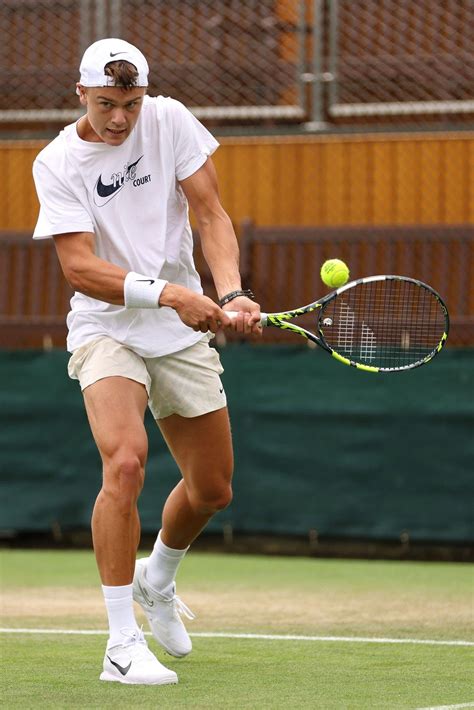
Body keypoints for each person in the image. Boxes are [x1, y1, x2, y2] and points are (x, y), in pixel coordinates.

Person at [32, 37, 261, 686]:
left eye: (130, 104)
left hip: (180, 329)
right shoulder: (56, 162)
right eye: (106, 104)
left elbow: (210, 212)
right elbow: (79, 268)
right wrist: (170, 293)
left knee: (213, 488)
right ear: (81, 93)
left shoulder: (170, 119)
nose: (120, 119)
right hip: (109, 328)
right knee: (125, 460)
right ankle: (121, 645)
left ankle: (157, 577)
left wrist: (231, 289)